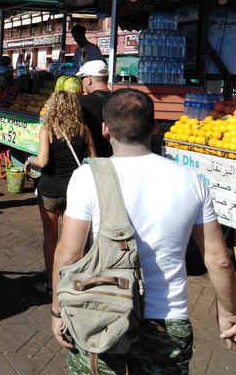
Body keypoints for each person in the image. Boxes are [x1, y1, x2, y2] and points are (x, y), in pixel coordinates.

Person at [51, 89, 236, 373]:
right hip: (167, 319)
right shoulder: (191, 179)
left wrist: (58, 309)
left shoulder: (87, 177)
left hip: (102, 311)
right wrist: (228, 313)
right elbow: (219, 259)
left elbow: (68, 254)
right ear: (153, 127)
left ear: (104, 129)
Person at [25, 90, 96, 296]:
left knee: (50, 237)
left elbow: (43, 161)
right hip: (76, 191)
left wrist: (30, 160)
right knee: (72, 240)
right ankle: (73, 282)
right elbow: (93, 160)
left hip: (50, 189)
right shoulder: (84, 131)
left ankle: (51, 284)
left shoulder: (47, 129)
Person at [76, 60, 112, 158]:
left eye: (82, 78)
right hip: (116, 159)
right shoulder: (121, 100)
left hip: (92, 160)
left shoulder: (80, 102)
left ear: (89, 79)